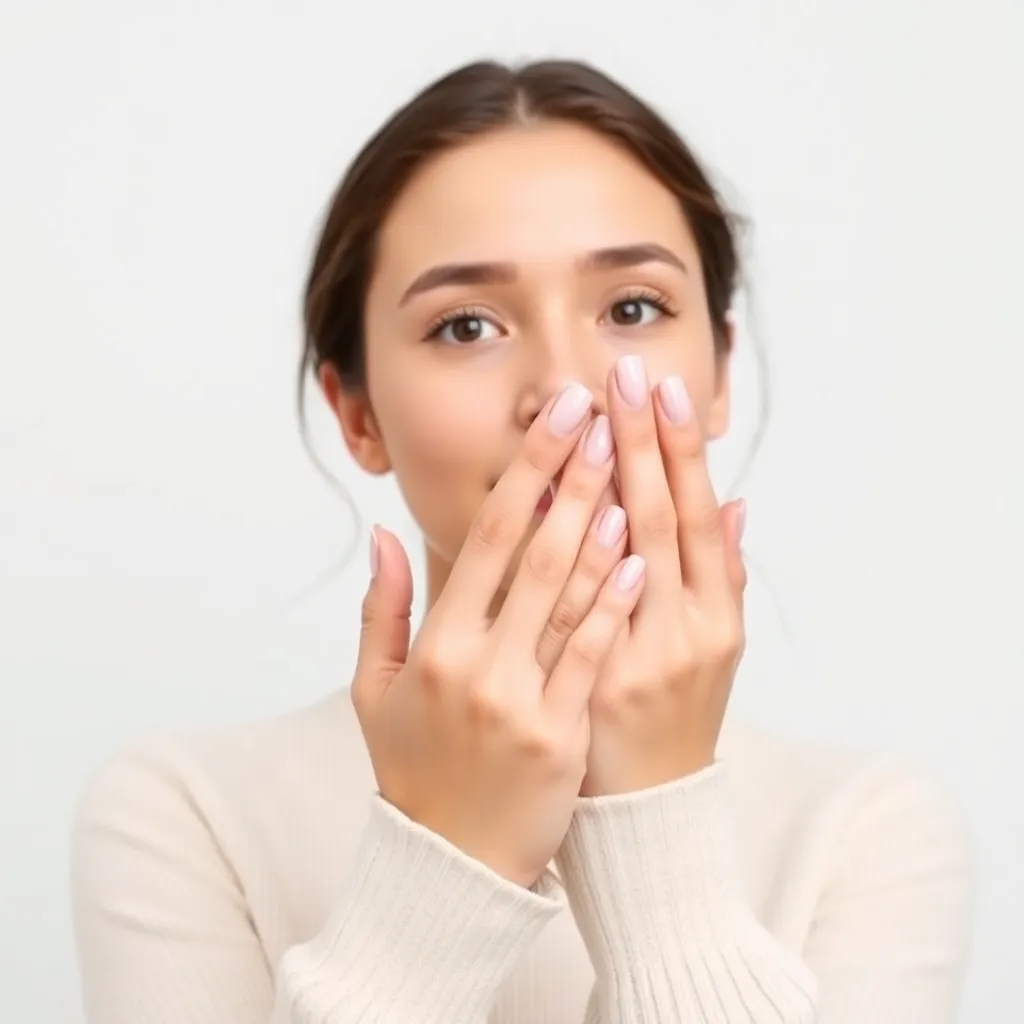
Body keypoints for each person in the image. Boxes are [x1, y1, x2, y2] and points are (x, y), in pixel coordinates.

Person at [70, 59, 976, 1023]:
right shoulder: (185, 815)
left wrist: (656, 829)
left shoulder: (867, 834)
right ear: (358, 413)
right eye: (466, 325)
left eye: (632, 309)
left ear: (718, 372)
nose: (566, 389)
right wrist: (442, 863)